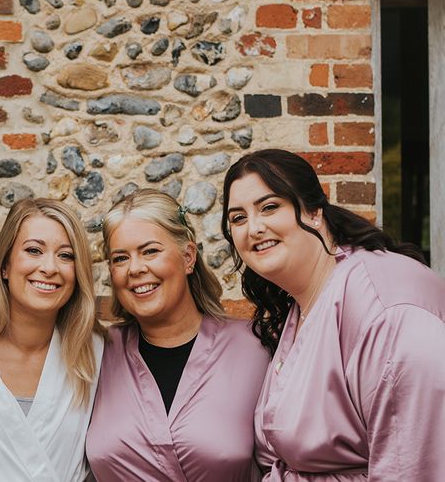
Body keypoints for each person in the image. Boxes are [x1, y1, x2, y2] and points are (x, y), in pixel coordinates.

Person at [222, 148, 445, 481]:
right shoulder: (305, 301)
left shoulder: (384, 306)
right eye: (238, 218)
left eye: (269, 207)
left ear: (314, 212)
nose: (253, 228)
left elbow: (413, 463)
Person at [86, 188, 269, 482]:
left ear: (187, 257)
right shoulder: (97, 352)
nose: (135, 268)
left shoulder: (255, 348)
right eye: (120, 258)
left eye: (150, 251)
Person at [0, 197, 105, 482]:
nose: (49, 267)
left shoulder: (95, 352)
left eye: (65, 256)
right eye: (33, 250)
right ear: (5, 265)